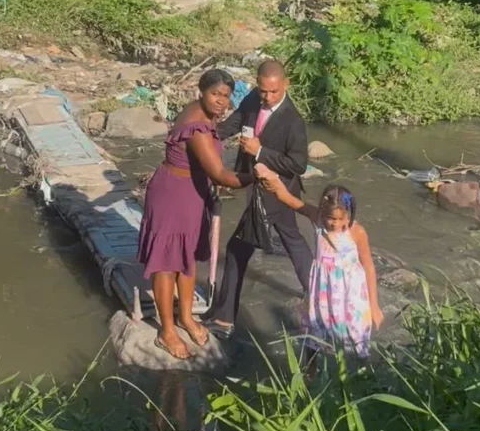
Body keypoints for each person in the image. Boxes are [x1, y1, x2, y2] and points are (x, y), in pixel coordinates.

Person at [137, 69, 251, 360]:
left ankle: (186, 317)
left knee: (186, 256)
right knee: (166, 263)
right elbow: (220, 174)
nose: (221, 102)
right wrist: (256, 177)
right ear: (201, 91)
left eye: (226, 96)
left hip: (190, 193)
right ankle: (166, 330)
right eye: (215, 94)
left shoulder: (202, 111)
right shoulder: (197, 127)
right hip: (173, 194)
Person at [208, 58, 313, 336]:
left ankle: (224, 319)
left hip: (274, 191)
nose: (267, 97)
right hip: (258, 185)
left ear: (285, 85)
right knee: (292, 238)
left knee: (236, 250)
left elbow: (298, 164)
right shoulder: (254, 98)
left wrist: (259, 151)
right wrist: (207, 134)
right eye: (263, 90)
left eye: (273, 92)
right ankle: (318, 291)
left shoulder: (293, 122)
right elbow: (237, 121)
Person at [256, 172, 383, 357]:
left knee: (356, 332)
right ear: (322, 212)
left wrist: (374, 305)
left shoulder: (357, 232)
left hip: (350, 293)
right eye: (331, 218)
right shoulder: (317, 219)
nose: (335, 224)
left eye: (341, 218)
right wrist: (274, 184)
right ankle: (310, 372)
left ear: (349, 214)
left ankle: (365, 371)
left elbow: (369, 267)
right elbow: (290, 200)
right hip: (323, 290)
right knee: (314, 326)